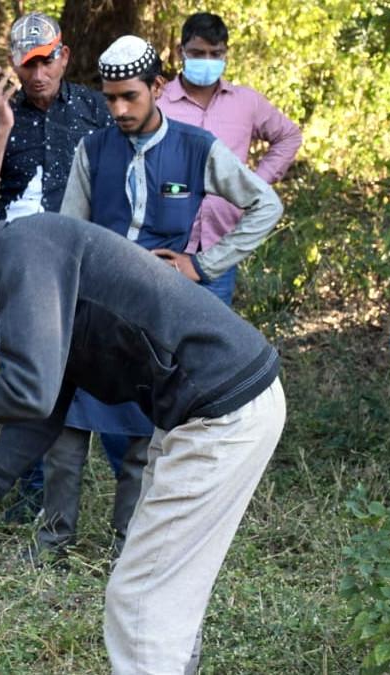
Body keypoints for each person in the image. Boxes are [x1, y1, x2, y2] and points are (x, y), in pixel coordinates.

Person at [0, 191, 286, 673]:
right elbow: (51, 394)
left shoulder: (19, 249)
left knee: (142, 600)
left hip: (220, 412)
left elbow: (30, 390)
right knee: (165, 589)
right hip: (212, 407)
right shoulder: (22, 255)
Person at [57, 34, 283, 562]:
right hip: (91, 311)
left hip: (155, 319)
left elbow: (264, 206)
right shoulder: (92, 150)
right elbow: (67, 233)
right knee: (65, 431)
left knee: (141, 438)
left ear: (158, 87)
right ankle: (52, 540)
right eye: (110, 98)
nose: (118, 109)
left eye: (129, 97)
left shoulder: (196, 147)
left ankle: (126, 546)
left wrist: (202, 265)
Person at [0, 11, 114, 555]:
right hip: (13, 273)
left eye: (47, 60)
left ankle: (114, 489)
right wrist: (2, 125)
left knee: (91, 377)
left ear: (64, 56)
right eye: (28, 64)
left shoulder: (96, 110)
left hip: (77, 270)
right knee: (21, 381)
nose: (39, 73)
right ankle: (24, 498)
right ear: (14, 67)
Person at [157, 12, 302, 306]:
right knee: (157, 337)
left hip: (218, 250)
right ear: (180, 52)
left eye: (215, 53)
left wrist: (253, 186)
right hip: (161, 245)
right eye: (198, 53)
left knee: (209, 340)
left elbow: (289, 136)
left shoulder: (246, 103)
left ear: (226, 54)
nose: (207, 60)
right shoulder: (158, 102)